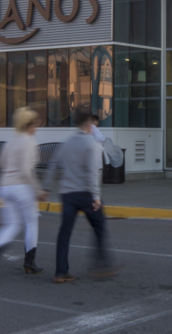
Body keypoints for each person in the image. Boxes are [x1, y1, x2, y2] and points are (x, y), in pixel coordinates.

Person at [46, 111, 117, 283]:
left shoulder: (67, 142)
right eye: (92, 125)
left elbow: (53, 165)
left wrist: (45, 187)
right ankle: (101, 265)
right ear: (88, 125)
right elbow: (92, 172)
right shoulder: (90, 144)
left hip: (67, 194)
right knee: (99, 226)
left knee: (65, 232)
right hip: (85, 194)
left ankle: (61, 272)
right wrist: (96, 197)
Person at [0, 107, 44, 278]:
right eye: (36, 125)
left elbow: (0, 163)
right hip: (21, 187)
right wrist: (38, 190)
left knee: (11, 225)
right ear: (29, 125)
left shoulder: (10, 141)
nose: (37, 128)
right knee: (31, 223)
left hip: (4, 187)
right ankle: (30, 262)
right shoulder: (29, 142)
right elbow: (26, 171)